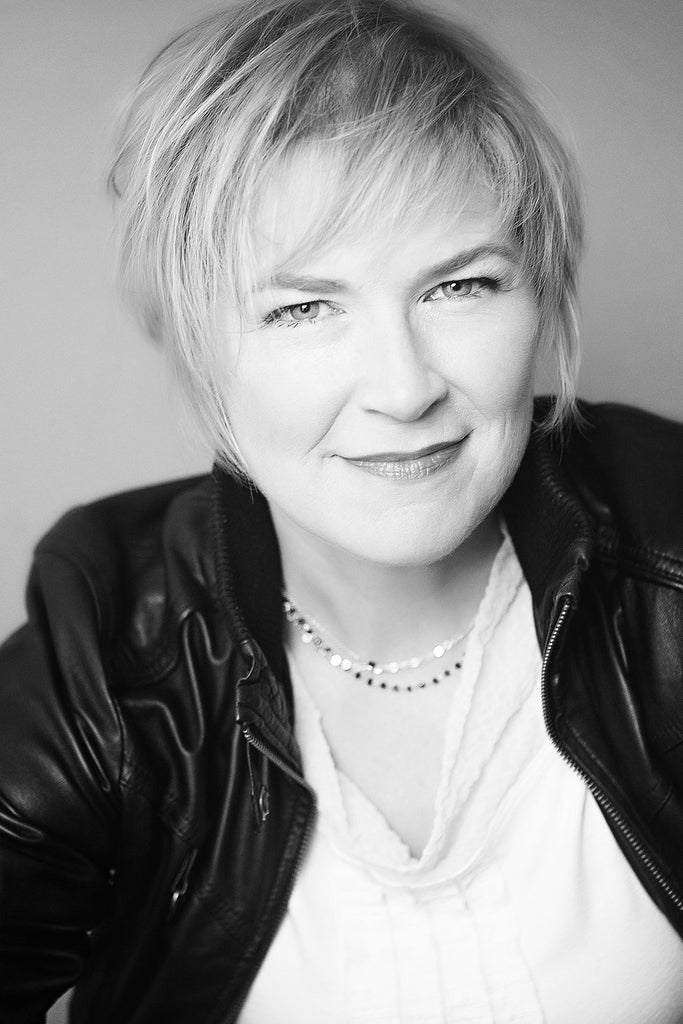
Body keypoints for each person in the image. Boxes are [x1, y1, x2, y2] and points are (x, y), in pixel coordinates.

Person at [1, 0, 682, 1020]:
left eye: (460, 285)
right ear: (197, 343)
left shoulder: (665, 543)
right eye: (303, 306)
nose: (403, 389)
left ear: (537, 295)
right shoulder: (108, 635)